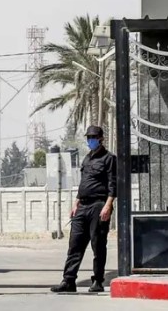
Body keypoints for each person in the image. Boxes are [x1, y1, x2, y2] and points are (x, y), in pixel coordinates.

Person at [50, 125, 117, 293]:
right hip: (82, 206)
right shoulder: (87, 159)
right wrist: (76, 203)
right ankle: (69, 280)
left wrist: (108, 204)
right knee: (75, 244)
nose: (90, 140)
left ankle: (98, 281)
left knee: (98, 244)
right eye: (88, 137)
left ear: (101, 139)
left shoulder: (109, 159)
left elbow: (113, 184)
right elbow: (84, 184)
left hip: (99, 205)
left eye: (93, 137)